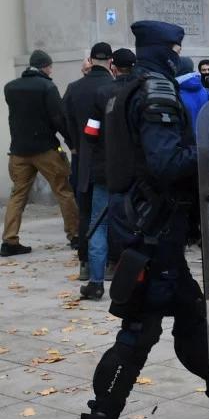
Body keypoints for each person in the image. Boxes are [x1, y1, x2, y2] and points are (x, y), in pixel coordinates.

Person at [80, 21, 209, 419]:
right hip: (150, 227)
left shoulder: (122, 89)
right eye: (175, 47)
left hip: (141, 222)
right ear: (165, 50)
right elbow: (166, 163)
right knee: (139, 329)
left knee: (190, 316)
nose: (178, 54)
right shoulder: (157, 92)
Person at [2, 50, 79, 256]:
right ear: (45, 66)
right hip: (46, 150)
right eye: (50, 67)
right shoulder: (47, 86)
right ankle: (75, 235)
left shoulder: (10, 87)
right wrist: (71, 142)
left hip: (18, 151)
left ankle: (9, 241)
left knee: (17, 195)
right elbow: (58, 118)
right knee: (63, 190)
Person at [77, 48, 136, 300]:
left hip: (106, 167)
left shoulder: (103, 93)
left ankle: (96, 283)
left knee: (98, 225)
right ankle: (135, 281)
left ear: (114, 66)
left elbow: (90, 132)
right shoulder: (141, 90)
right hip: (135, 169)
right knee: (135, 224)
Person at [63, 42, 114, 276]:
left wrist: (74, 145)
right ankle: (111, 262)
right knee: (109, 215)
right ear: (110, 62)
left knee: (86, 212)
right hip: (112, 160)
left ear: (91, 61)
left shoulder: (74, 88)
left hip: (84, 158)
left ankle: (85, 262)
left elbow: (65, 120)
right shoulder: (114, 87)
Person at [176, 57, 209, 131]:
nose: (207, 72)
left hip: (186, 141)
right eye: (204, 70)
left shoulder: (175, 95)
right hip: (206, 139)